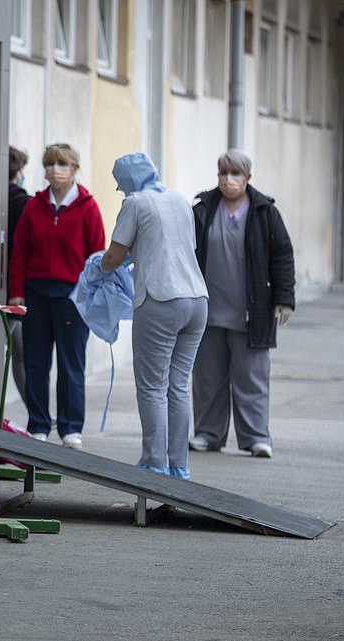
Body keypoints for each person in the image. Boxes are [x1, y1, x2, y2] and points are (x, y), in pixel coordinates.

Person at [100, 153, 208, 479]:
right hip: (197, 300)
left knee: (151, 387)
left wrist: (98, 266)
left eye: (120, 184)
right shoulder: (179, 200)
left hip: (160, 299)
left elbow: (115, 256)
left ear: (128, 181)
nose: (120, 190)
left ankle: (154, 462)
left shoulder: (135, 203)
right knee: (178, 385)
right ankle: (179, 465)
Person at [189, 150, 295, 458]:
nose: (227, 180)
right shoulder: (203, 209)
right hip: (209, 311)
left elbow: (282, 256)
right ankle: (208, 434)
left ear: (248, 178)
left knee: (252, 379)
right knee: (208, 378)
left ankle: (256, 437)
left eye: (234, 174)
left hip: (252, 311)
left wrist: (284, 298)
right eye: (222, 173)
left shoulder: (265, 212)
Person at [9, 143, 105, 448]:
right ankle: (38, 423)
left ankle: (70, 428)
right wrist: (16, 293)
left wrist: (90, 296)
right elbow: (19, 253)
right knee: (36, 362)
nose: (54, 171)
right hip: (36, 295)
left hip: (73, 297)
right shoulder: (34, 207)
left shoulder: (88, 207)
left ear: (74, 168)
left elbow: (97, 256)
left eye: (61, 165)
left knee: (71, 363)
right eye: (49, 165)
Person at [7, 146, 31, 400]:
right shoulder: (25, 204)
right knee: (21, 353)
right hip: (17, 289)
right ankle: (35, 408)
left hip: (5, 284)